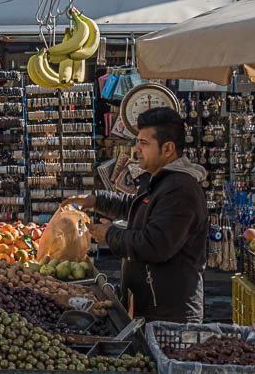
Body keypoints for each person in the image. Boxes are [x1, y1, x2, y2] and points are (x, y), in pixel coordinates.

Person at [61, 107, 208, 323]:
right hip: (148, 305)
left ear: (168, 149)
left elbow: (155, 245)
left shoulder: (181, 190)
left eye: (144, 143)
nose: (136, 149)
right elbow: (138, 206)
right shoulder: (160, 180)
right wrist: (96, 201)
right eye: (137, 142)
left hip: (169, 315)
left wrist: (109, 235)